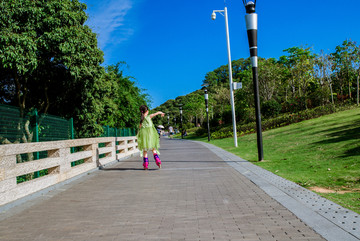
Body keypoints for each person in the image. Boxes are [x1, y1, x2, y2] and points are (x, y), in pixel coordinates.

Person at [136, 105, 165, 170]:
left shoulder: (141, 119)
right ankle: (157, 160)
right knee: (153, 149)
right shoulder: (149, 116)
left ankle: (145, 165)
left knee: (145, 151)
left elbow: (139, 128)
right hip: (150, 136)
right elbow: (157, 113)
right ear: (147, 111)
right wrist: (162, 113)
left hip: (144, 136)